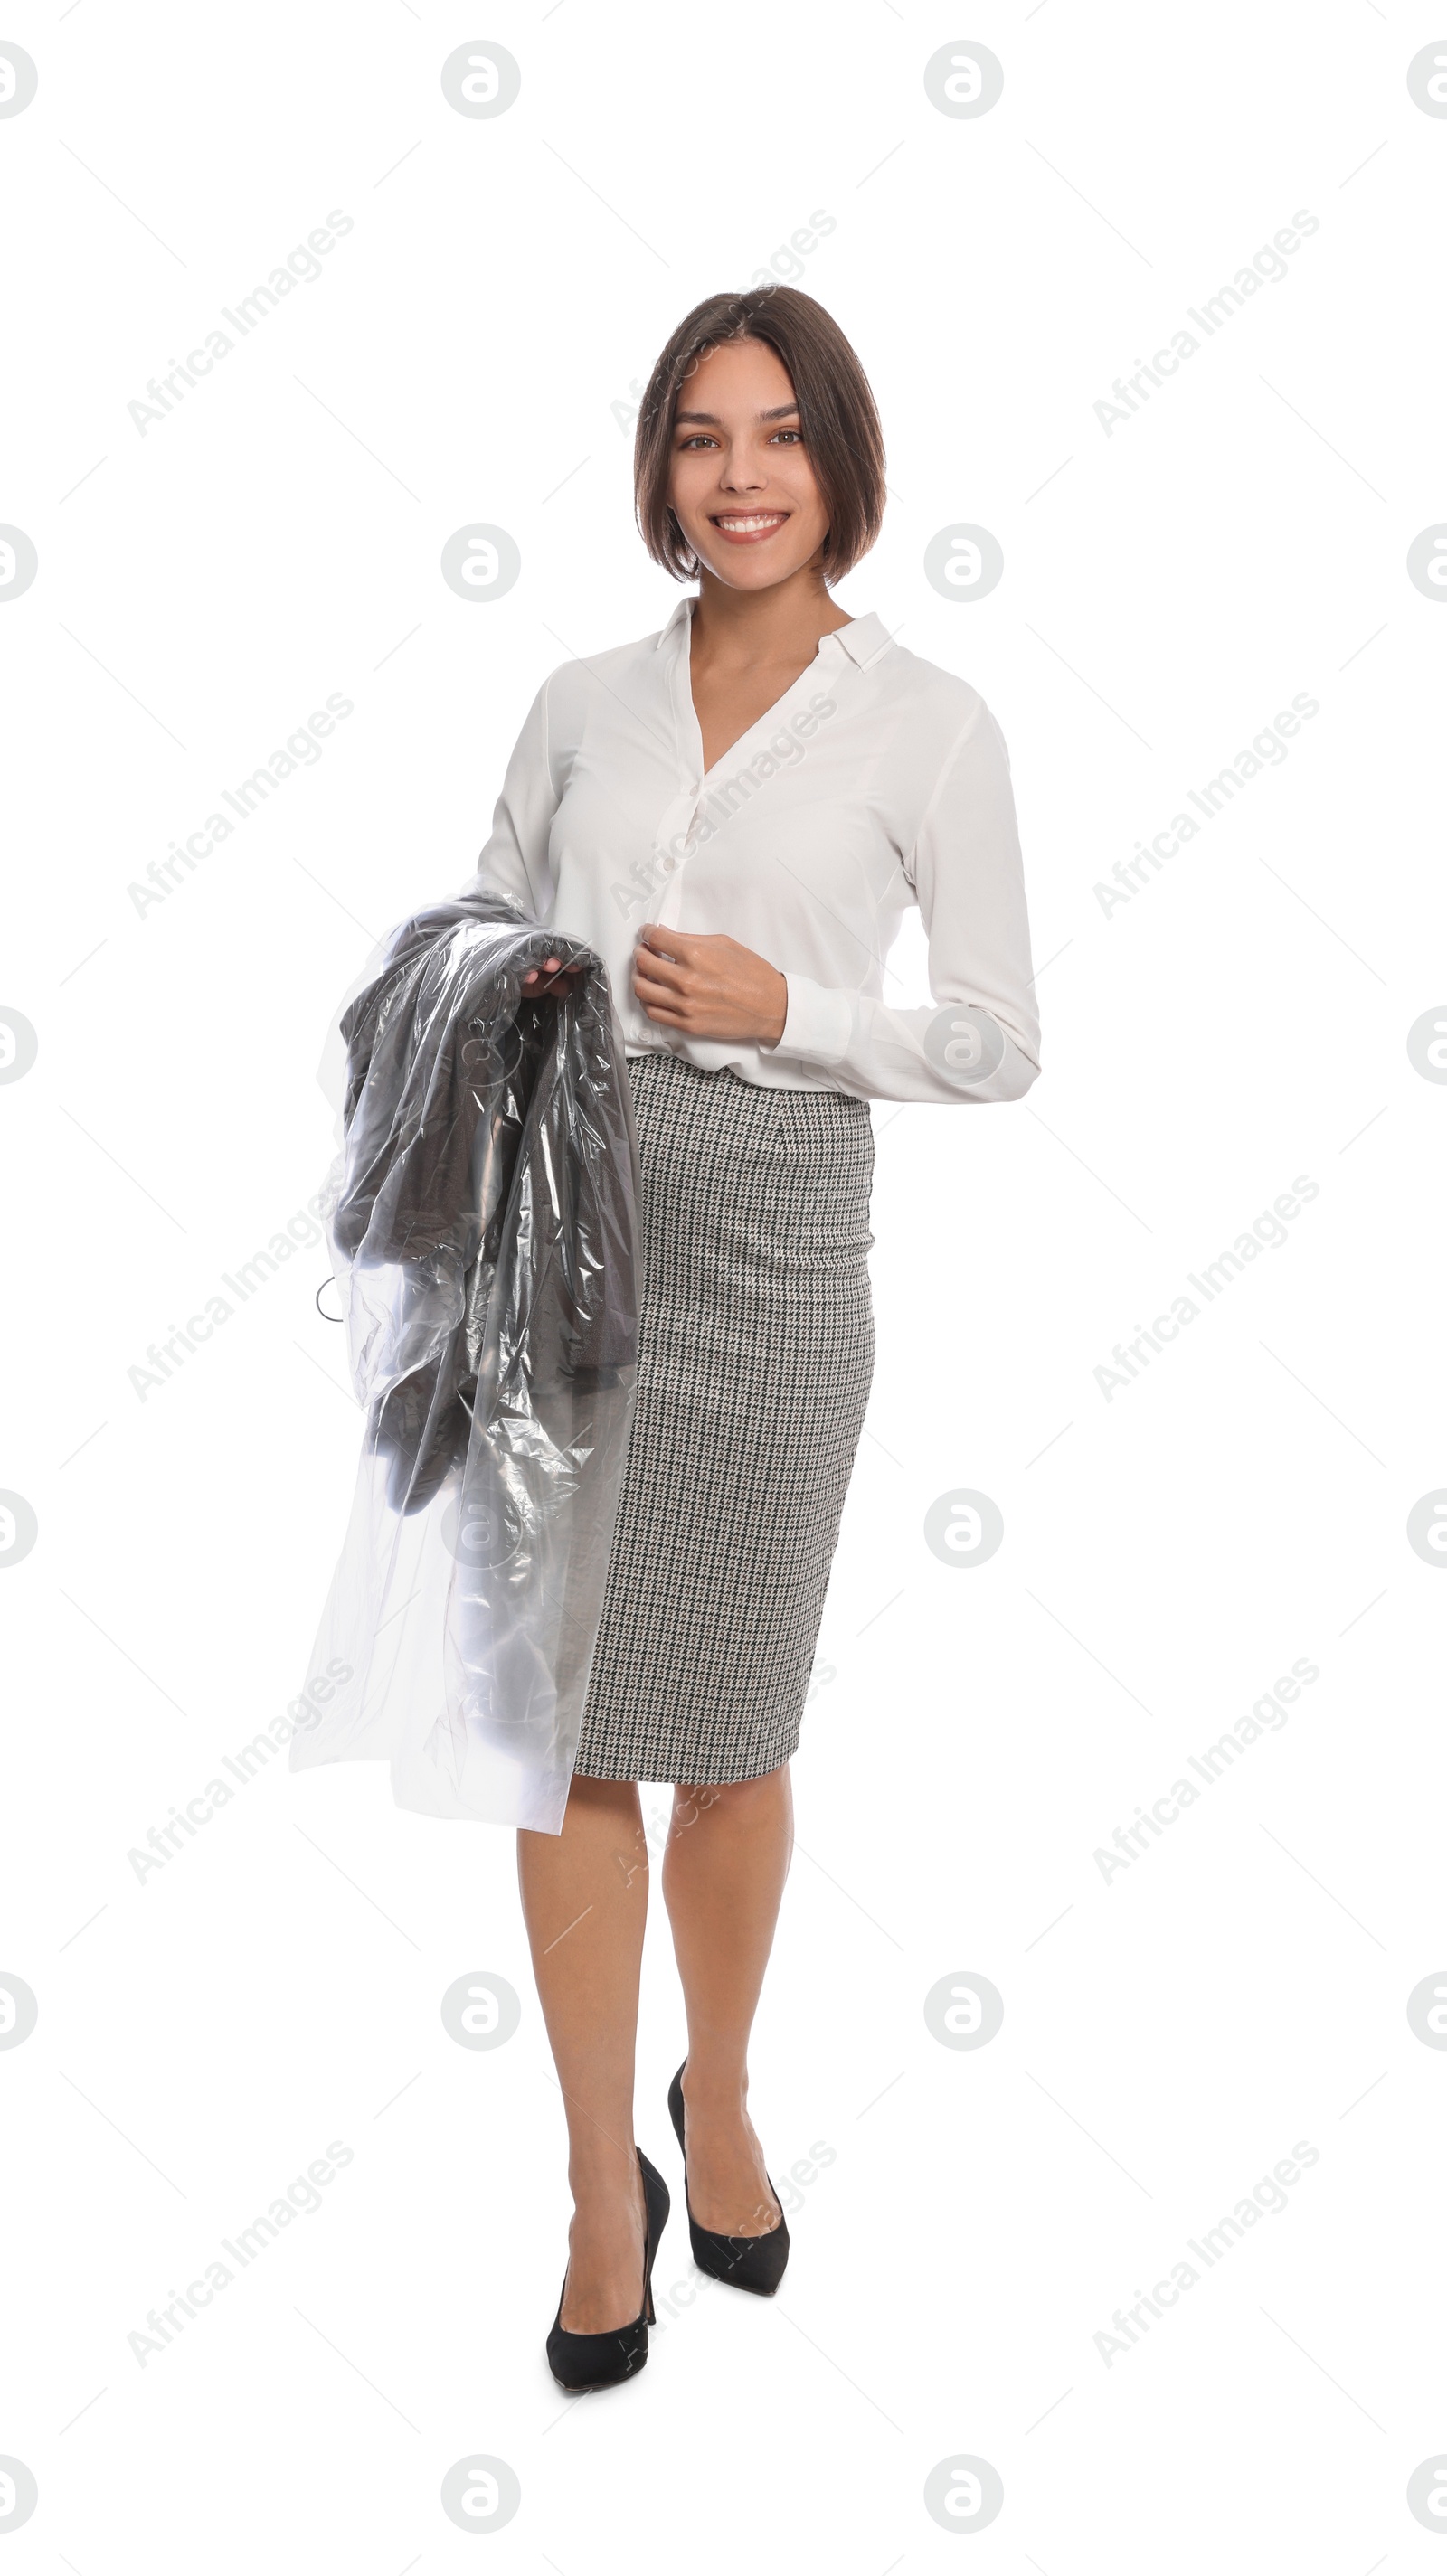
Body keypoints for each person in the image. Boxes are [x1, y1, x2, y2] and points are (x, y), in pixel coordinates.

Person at [468, 285, 1041, 2389]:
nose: (738, 475)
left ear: (840, 464)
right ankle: (588, 2184)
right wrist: (526, 998)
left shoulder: (928, 723)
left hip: (780, 1245)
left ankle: (717, 2095)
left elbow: (995, 1043)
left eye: (778, 434)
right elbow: (487, 919)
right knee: (564, 1728)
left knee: (728, 1722)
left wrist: (783, 1011)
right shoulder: (575, 700)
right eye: (701, 436)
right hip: (565, 1228)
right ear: (657, 466)